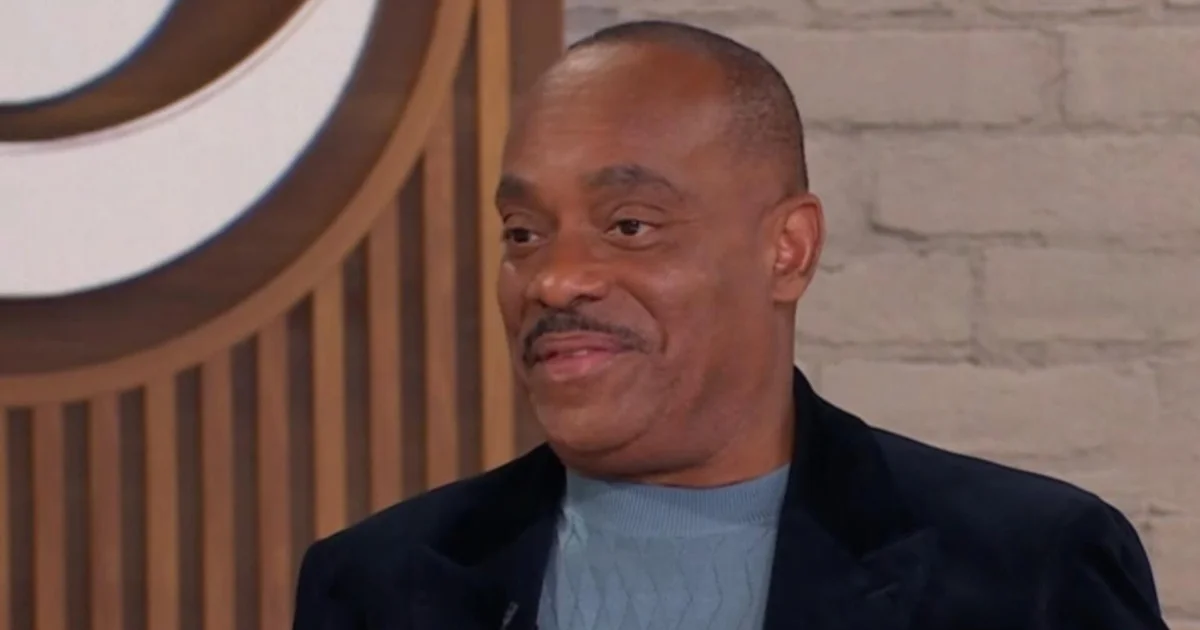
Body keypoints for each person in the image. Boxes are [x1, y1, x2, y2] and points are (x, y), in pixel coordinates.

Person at [292, 20, 1169, 630]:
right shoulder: (377, 586)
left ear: (788, 250)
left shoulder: (1028, 570)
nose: (556, 278)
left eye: (629, 225)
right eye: (523, 234)